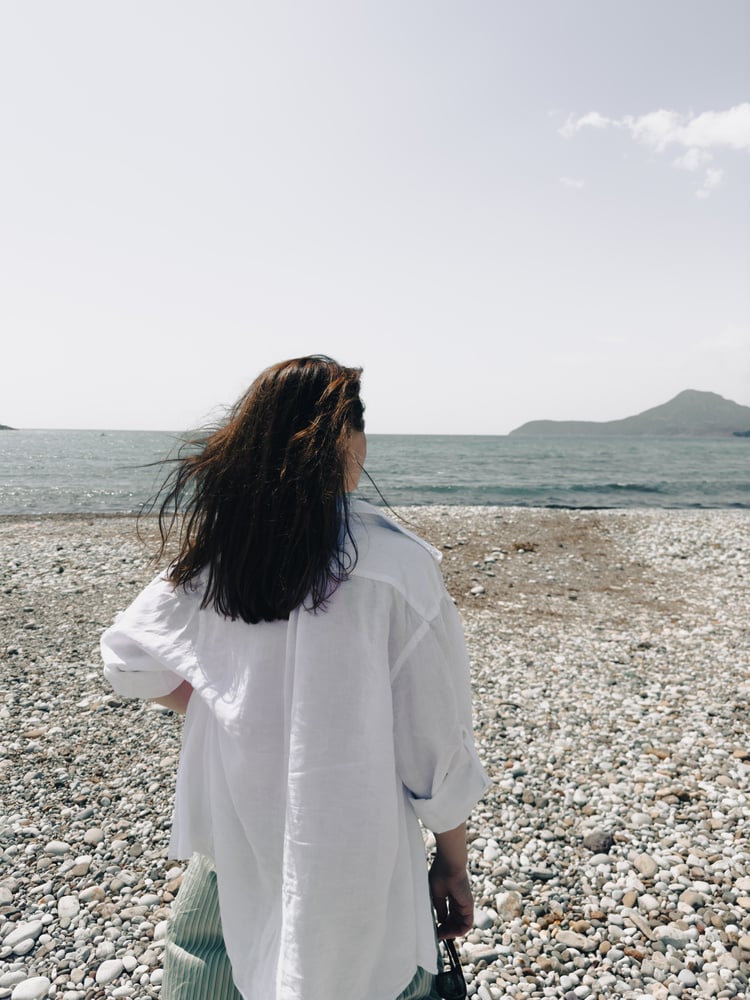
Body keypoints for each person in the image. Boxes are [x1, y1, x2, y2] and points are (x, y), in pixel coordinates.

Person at [101, 356, 489, 1000]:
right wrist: (453, 859)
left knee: (207, 970)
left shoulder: (229, 553)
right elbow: (434, 745)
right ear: (346, 438)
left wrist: (219, 704)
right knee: (361, 976)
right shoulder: (394, 565)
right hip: (352, 840)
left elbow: (127, 660)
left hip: (234, 838)